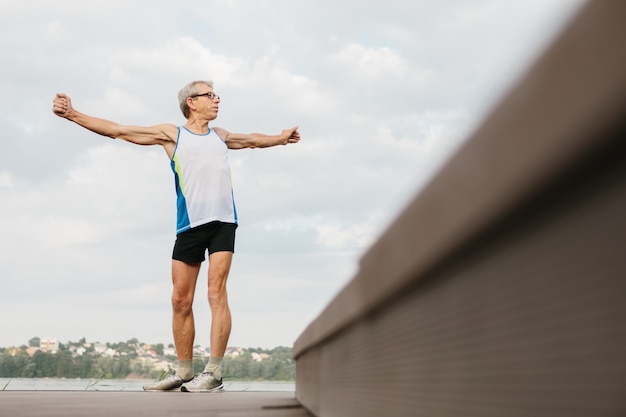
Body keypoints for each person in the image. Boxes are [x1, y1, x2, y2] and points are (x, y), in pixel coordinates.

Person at [52, 80, 300, 392]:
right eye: (210, 95)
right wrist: (72, 114)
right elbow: (117, 130)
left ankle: (214, 373)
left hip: (224, 222)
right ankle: (184, 372)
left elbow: (251, 140)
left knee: (216, 292)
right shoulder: (172, 134)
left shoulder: (220, 136)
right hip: (189, 226)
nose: (217, 99)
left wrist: (280, 138)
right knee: (180, 300)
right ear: (191, 102)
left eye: (216, 94)